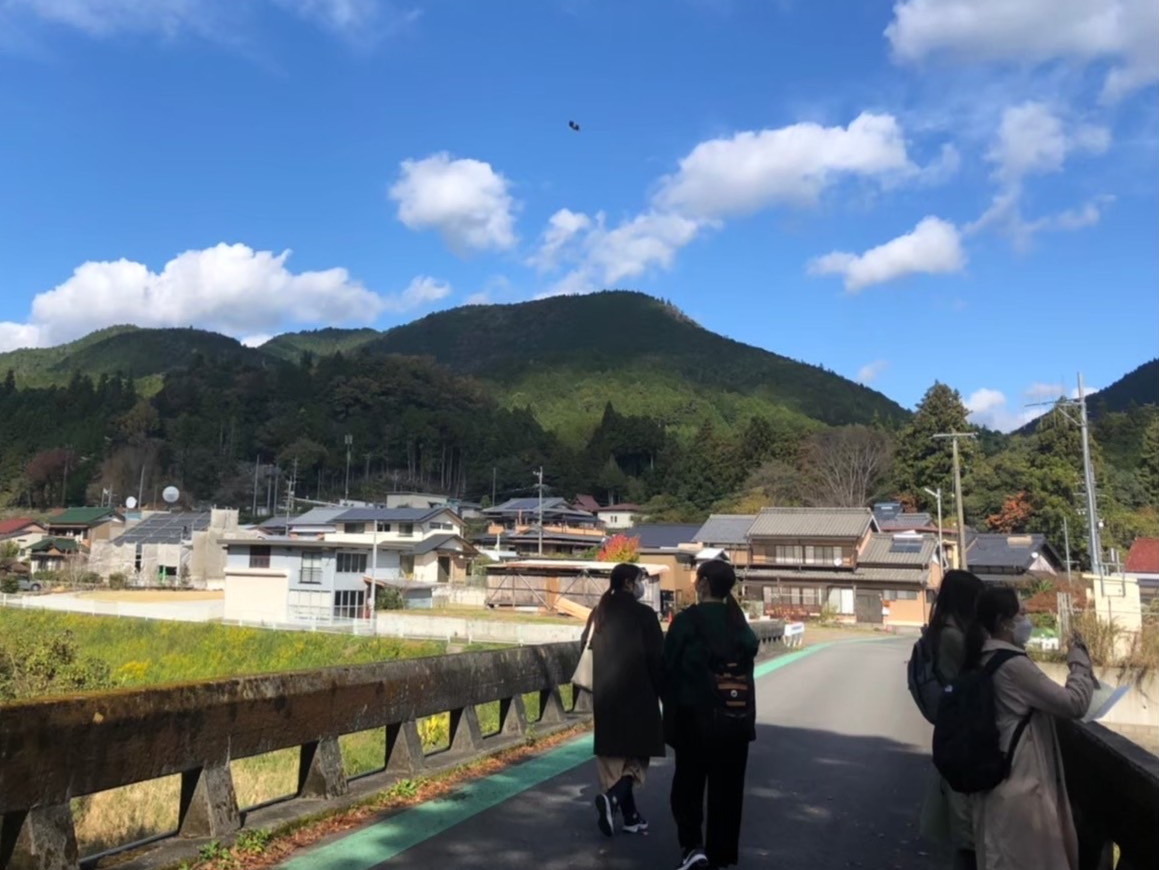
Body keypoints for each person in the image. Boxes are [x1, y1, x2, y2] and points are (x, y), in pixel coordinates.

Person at [967, 586, 1095, 870]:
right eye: (1021, 613)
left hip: (996, 781)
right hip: (1021, 786)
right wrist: (1079, 665)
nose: (1028, 620)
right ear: (1004, 621)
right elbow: (1074, 703)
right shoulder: (1013, 664)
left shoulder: (983, 658)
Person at [663, 559, 758, 870]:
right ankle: (722, 854)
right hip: (734, 721)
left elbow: (668, 669)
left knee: (688, 788)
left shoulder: (687, 622)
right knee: (728, 791)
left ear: (703, 583)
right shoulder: (738, 623)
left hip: (694, 721)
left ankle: (692, 847)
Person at [581, 562, 665, 838]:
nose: (643, 585)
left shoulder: (599, 613)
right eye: (641, 580)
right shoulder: (644, 615)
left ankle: (630, 816)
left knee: (612, 759)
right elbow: (657, 659)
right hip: (639, 697)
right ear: (629, 583)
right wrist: (666, 694)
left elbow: (584, 646)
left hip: (605, 697)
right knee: (636, 759)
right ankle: (614, 799)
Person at [918, 569, 985, 869]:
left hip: (951, 734)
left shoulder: (939, 630)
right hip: (965, 737)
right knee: (969, 836)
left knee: (964, 832)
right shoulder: (955, 637)